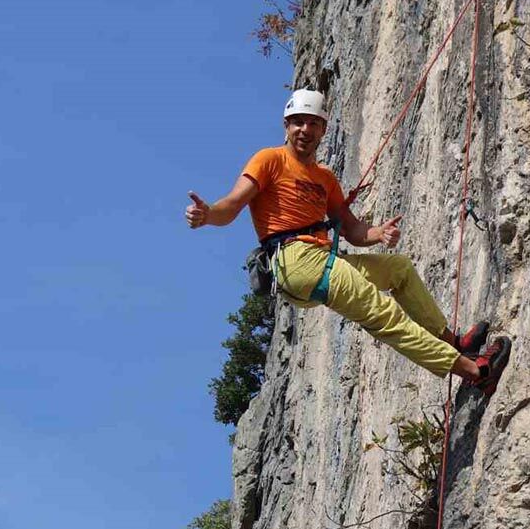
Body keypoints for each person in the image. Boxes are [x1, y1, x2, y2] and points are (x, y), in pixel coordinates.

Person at [185, 89, 511, 394]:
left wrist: (378, 233)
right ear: (286, 126)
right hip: (296, 260)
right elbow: (233, 204)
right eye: (298, 122)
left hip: (323, 260)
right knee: (383, 313)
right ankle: (476, 372)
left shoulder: (325, 178)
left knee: (398, 269)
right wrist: (208, 214)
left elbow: (352, 229)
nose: (305, 130)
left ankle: (453, 342)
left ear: (323, 130)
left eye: (313, 123)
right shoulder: (269, 160)